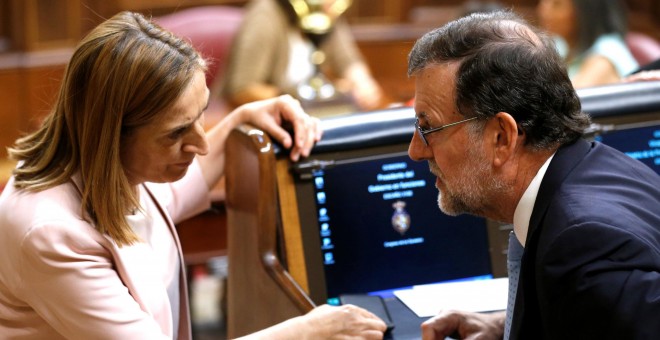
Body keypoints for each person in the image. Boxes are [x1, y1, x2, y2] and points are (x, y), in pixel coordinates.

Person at [0, 11, 387, 339]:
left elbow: (184, 183)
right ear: (108, 136)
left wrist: (244, 116)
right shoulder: (50, 233)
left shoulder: (116, 168)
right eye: (175, 133)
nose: (201, 144)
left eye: (200, 113)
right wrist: (304, 331)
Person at [406, 10, 660, 340]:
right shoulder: (603, 168)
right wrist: (508, 324)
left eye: (429, 128)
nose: (416, 149)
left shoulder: (581, 249)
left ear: (502, 137)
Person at [215, 0, 384, 112]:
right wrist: (305, 98)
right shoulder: (265, 15)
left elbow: (349, 61)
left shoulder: (326, 14)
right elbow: (242, 90)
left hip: (303, 116)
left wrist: (363, 84)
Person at [536, 0, 638, 88]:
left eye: (556, 4)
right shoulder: (560, 45)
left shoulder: (607, 53)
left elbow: (569, 103)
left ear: (585, 13)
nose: (542, 11)